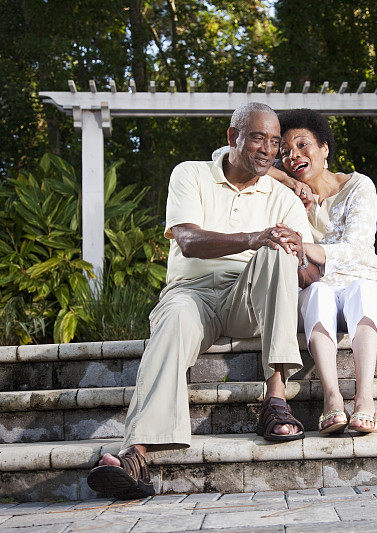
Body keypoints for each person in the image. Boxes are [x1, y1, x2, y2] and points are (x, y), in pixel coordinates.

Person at [86, 103, 314, 500]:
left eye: (275, 142)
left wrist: (299, 254)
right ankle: (136, 455)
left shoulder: (284, 198)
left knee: (279, 248)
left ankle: (276, 399)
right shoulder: (190, 173)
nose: (267, 149)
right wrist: (252, 237)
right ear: (233, 137)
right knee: (173, 320)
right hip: (192, 294)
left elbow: (310, 274)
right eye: (258, 137)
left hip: (247, 298)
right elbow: (188, 240)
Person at [278, 109, 377, 434]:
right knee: (316, 292)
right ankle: (332, 398)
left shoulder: (358, 186)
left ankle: (364, 399)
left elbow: (357, 247)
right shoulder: (290, 197)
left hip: (366, 286)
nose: (294, 156)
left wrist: (308, 249)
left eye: (303, 146)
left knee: (361, 291)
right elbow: (227, 156)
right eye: (285, 153)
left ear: (325, 148)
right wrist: (288, 182)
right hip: (322, 294)